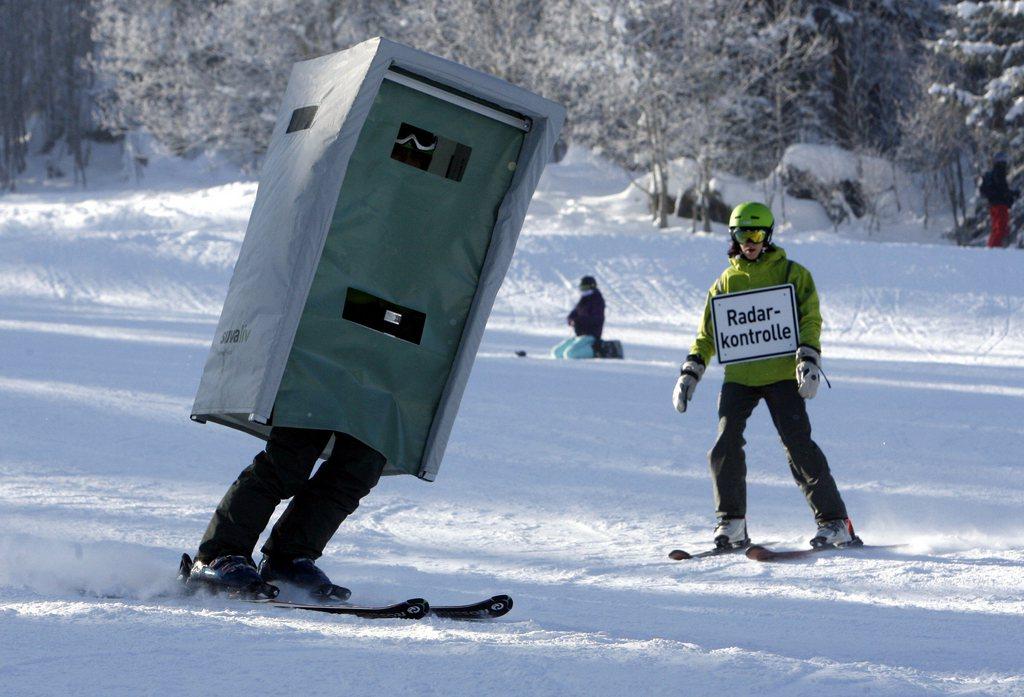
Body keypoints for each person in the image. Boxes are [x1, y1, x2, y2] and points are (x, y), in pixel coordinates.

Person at [672, 202, 857, 550]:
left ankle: (835, 522)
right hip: (741, 374)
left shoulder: (792, 273)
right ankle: (732, 522)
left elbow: (809, 317)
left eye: (757, 233)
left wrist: (808, 358)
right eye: (743, 233)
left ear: (768, 236)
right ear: (734, 237)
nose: (750, 241)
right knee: (724, 445)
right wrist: (691, 371)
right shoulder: (725, 282)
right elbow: (709, 333)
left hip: (780, 374)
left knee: (798, 444)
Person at [186, 427, 386, 599]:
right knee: (287, 459)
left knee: (358, 470)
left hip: (393, 389)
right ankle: (218, 556)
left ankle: (287, 560)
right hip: (324, 385)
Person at [551, 275, 605, 359]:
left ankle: (597, 351)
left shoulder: (597, 301)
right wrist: (571, 320)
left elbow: (596, 319)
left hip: (591, 336)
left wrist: (578, 321)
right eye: (582, 288)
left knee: (570, 354)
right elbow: (572, 315)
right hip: (579, 336)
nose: (583, 290)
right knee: (556, 353)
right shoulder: (582, 301)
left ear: (592, 287)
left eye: (585, 287)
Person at [980, 153, 1018, 248]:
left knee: (996, 227)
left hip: (993, 205)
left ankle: (992, 246)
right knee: (1001, 227)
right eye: (1004, 160)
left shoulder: (991, 174)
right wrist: (1013, 194)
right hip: (1000, 205)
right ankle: (995, 248)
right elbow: (1002, 189)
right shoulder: (999, 172)